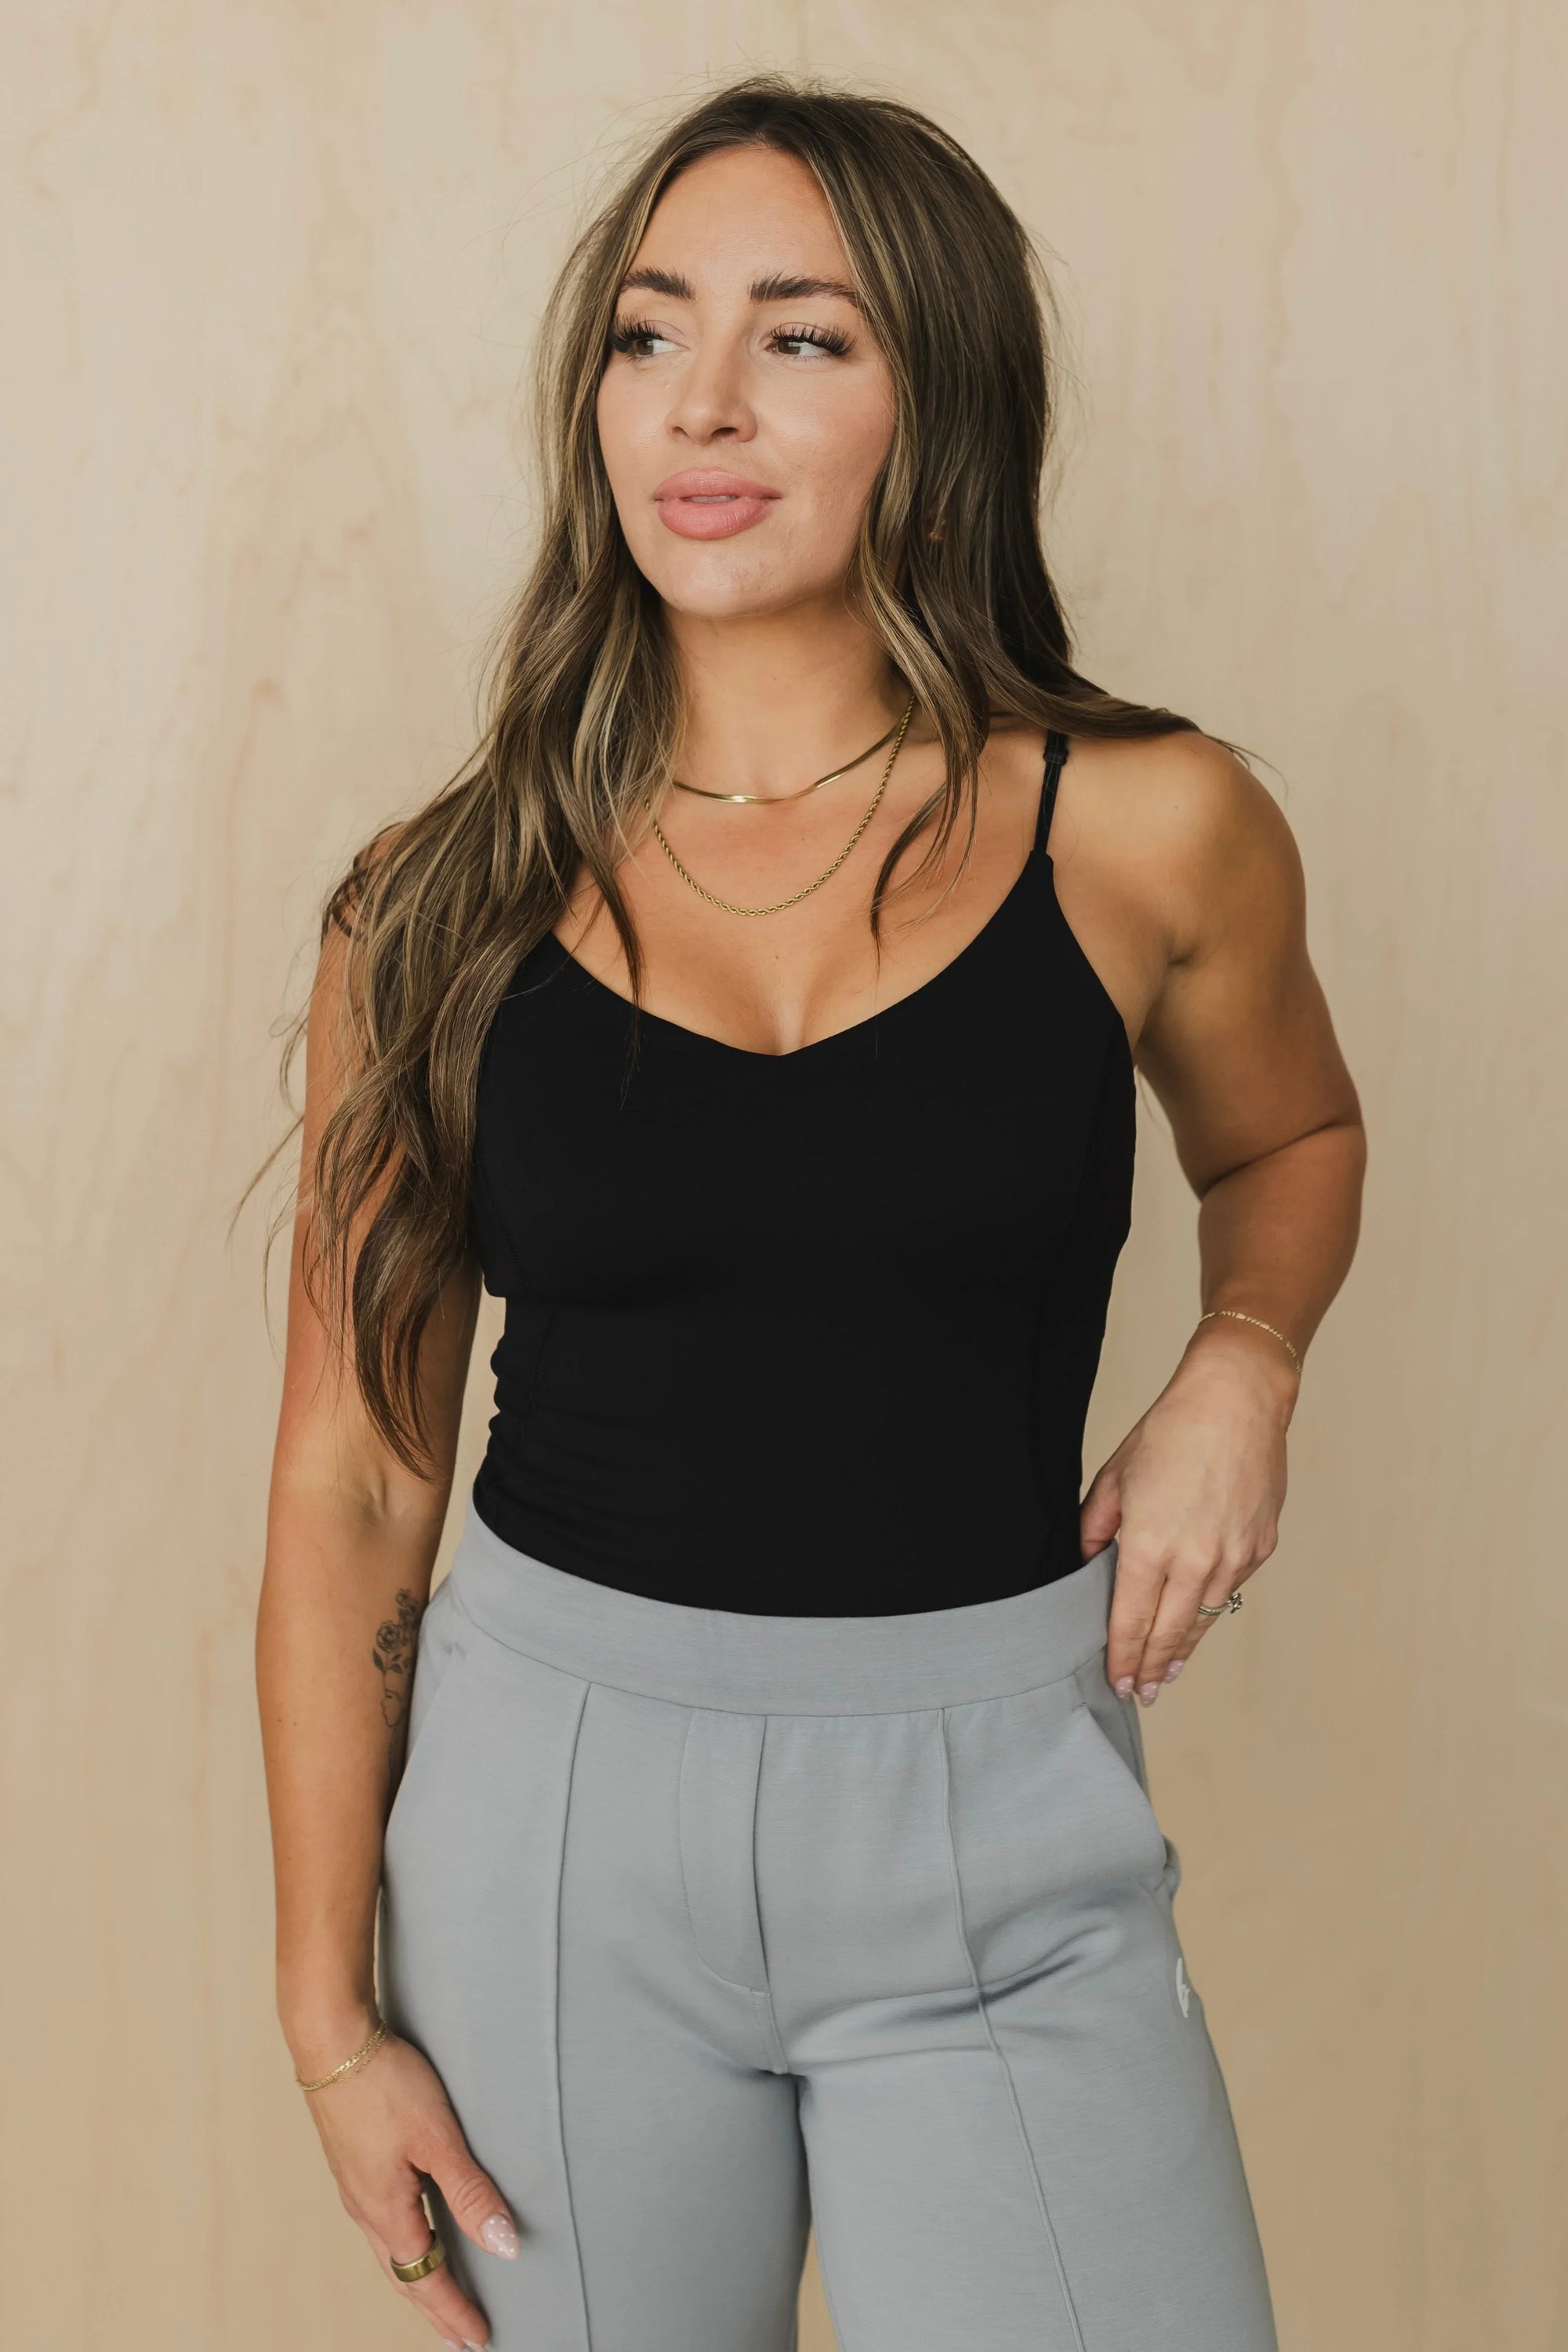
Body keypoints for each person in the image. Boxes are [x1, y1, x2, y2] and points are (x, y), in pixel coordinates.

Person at [253, 72, 1364, 2352]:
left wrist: (1246, 1356)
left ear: (937, 398)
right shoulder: (434, 905)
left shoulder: (1147, 828)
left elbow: (1290, 1143)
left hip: (1002, 1808)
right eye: (650, 333)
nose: (705, 403)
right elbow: (356, 1479)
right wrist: (331, 2025)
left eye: (804, 336)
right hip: (551, 1830)